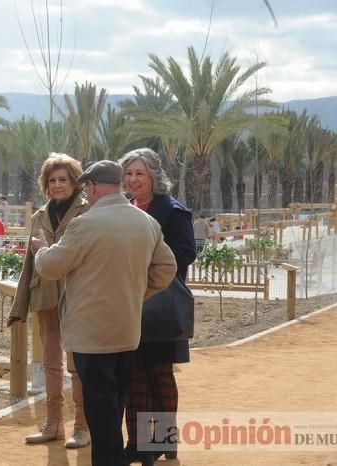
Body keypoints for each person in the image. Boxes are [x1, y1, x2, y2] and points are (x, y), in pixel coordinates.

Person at [33, 159, 177, 466]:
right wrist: (137, 293)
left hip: (90, 336)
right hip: (128, 333)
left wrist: (41, 249)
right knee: (117, 403)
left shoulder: (85, 224)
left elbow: (50, 267)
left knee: (102, 416)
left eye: (87, 188)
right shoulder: (146, 222)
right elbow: (167, 267)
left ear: (94, 186)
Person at [7, 153, 91, 448]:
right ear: (45, 184)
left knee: (76, 363)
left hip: (77, 295)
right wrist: (20, 305)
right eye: (52, 180)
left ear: (75, 182)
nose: (57, 185)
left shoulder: (87, 210)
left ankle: (82, 426)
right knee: (50, 362)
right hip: (44, 293)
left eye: (63, 179)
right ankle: (52, 423)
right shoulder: (38, 216)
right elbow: (29, 264)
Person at [118, 147, 196, 463]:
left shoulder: (173, 211)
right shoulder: (123, 208)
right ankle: (138, 444)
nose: (133, 179)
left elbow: (185, 253)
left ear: (154, 175)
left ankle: (166, 441)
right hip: (128, 306)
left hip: (160, 307)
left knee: (160, 376)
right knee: (133, 377)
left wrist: (147, 268)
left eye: (139, 173)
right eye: (128, 173)